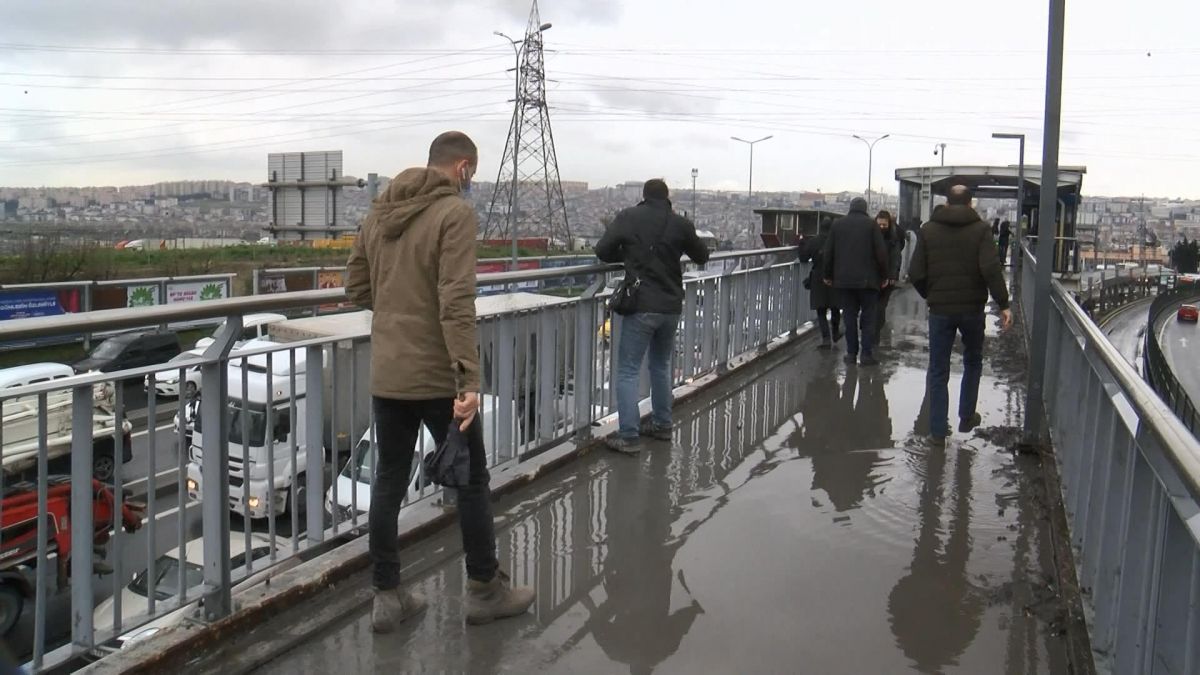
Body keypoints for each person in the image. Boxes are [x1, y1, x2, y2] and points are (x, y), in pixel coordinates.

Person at [346, 131, 535, 632]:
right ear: (464, 168)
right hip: (437, 374)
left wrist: (395, 318)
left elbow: (355, 287)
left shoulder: (379, 213)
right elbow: (456, 301)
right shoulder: (454, 215)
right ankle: (483, 589)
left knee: (388, 482)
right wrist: (468, 379)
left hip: (388, 373)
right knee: (471, 481)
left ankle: (387, 598)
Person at [596, 179, 711, 454]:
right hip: (670, 306)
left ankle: (629, 435)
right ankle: (662, 424)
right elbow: (702, 255)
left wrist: (627, 254)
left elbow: (602, 251)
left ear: (643, 196)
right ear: (667, 197)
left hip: (641, 305)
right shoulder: (680, 223)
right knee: (660, 366)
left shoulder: (629, 217)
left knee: (627, 370)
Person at [908, 184, 1013, 447]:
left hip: (940, 310)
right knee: (973, 361)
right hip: (972, 310)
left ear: (946, 202)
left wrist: (931, 293)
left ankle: (937, 432)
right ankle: (966, 416)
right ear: (969, 204)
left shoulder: (928, 230)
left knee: (938, 369)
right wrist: (1003, 303)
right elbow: (990, 269)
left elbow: (916, 272)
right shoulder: (981, 230)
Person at [822, 197, 889, 366]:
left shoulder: (838, 225)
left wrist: (828, 275)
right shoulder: (872, 225)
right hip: (868, 282)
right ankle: (866, 354)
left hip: (844, 281)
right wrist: (884, 276)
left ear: (850, 208)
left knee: (850, 317)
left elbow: (828, 252)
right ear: (865, 209)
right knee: (868, 318)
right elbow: (881, 254)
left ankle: (851, 354)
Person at [797, 218, 841, 349]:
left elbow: (803, 257)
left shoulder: (814, 241)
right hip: (836, 277)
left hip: (818, 278)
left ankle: (826, 339)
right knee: (835, 307)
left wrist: (801, 242)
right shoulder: (838, 242)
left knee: (821, 310)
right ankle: (836, 332)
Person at [874, 210, 903, 344]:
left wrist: (892, 275)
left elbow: (896, 257)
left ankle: (876, 330)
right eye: (879, 224)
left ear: (888, 224)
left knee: (880, 306)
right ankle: (873, 330)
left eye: (884, 225)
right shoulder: (871, 236)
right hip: (873, 277)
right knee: (874, 306)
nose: (881, 227)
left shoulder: (893, 239)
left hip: (887, 278)